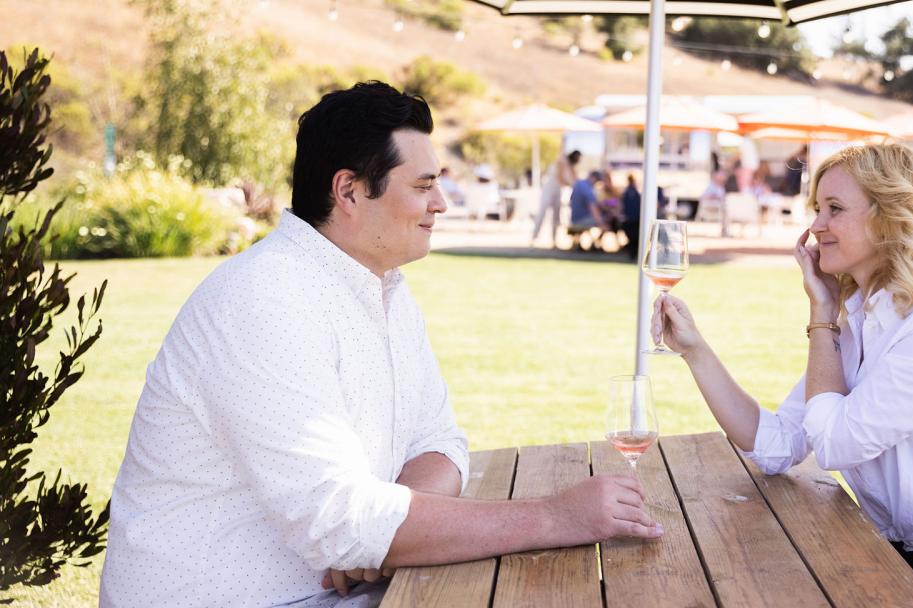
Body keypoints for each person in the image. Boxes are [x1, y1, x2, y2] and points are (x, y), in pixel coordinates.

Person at [100, 83, 660, 608]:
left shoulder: (383, 286)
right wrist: (556, 517)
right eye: (422, 186)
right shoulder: (264, 300)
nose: (440, 202)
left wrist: (383, 530)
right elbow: (342, 526)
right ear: (348, 190)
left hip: (341, 591)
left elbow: (441, 441)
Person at [651, 143, 913, 608]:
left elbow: (834, 443)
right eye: (817, 209)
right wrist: (693, 350)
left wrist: (822, 315)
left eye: (835, 209)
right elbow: (778, 445)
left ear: (890, 219)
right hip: (905, 559)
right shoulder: (863, 319)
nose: (816, 225)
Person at [531, 150, 581, 248]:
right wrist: (572, 184)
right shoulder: (562, 161)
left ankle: (554, 240)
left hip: (558, 191)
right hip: (548, 190)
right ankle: (534, 238)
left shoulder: (571, 167)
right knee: (542, 214)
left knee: (556, 217)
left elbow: (574, 180)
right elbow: (560, 177)